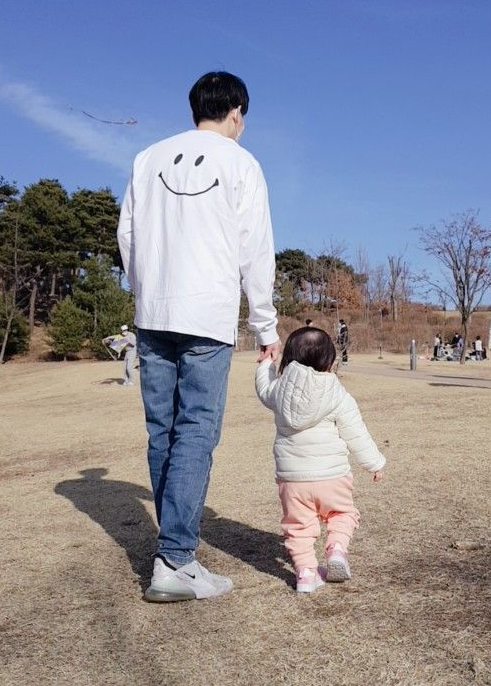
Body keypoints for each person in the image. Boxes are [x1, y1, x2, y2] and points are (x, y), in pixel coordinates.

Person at [117, 71, 280, 602]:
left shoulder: (148, 157)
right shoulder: (241, 162)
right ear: (236, 111)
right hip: (206, 315)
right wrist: (265, 326)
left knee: (162, 429)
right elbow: (255, 250)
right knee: (195, 431)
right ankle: (176, 559)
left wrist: (147, 293)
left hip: (154, 310)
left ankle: (173, 552)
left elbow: (128, 235)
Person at [254, 327, 386, 593]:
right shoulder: (337, 392)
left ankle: (305, 574)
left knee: (299, 527)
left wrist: (266, 362)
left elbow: (263, 388)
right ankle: (336, 549)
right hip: (332, 475)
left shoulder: (279, 390)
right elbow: (355, 431)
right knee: (342, 513)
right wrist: (375, 462)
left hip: (292, 479)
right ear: (329, 360)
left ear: (289, 358)